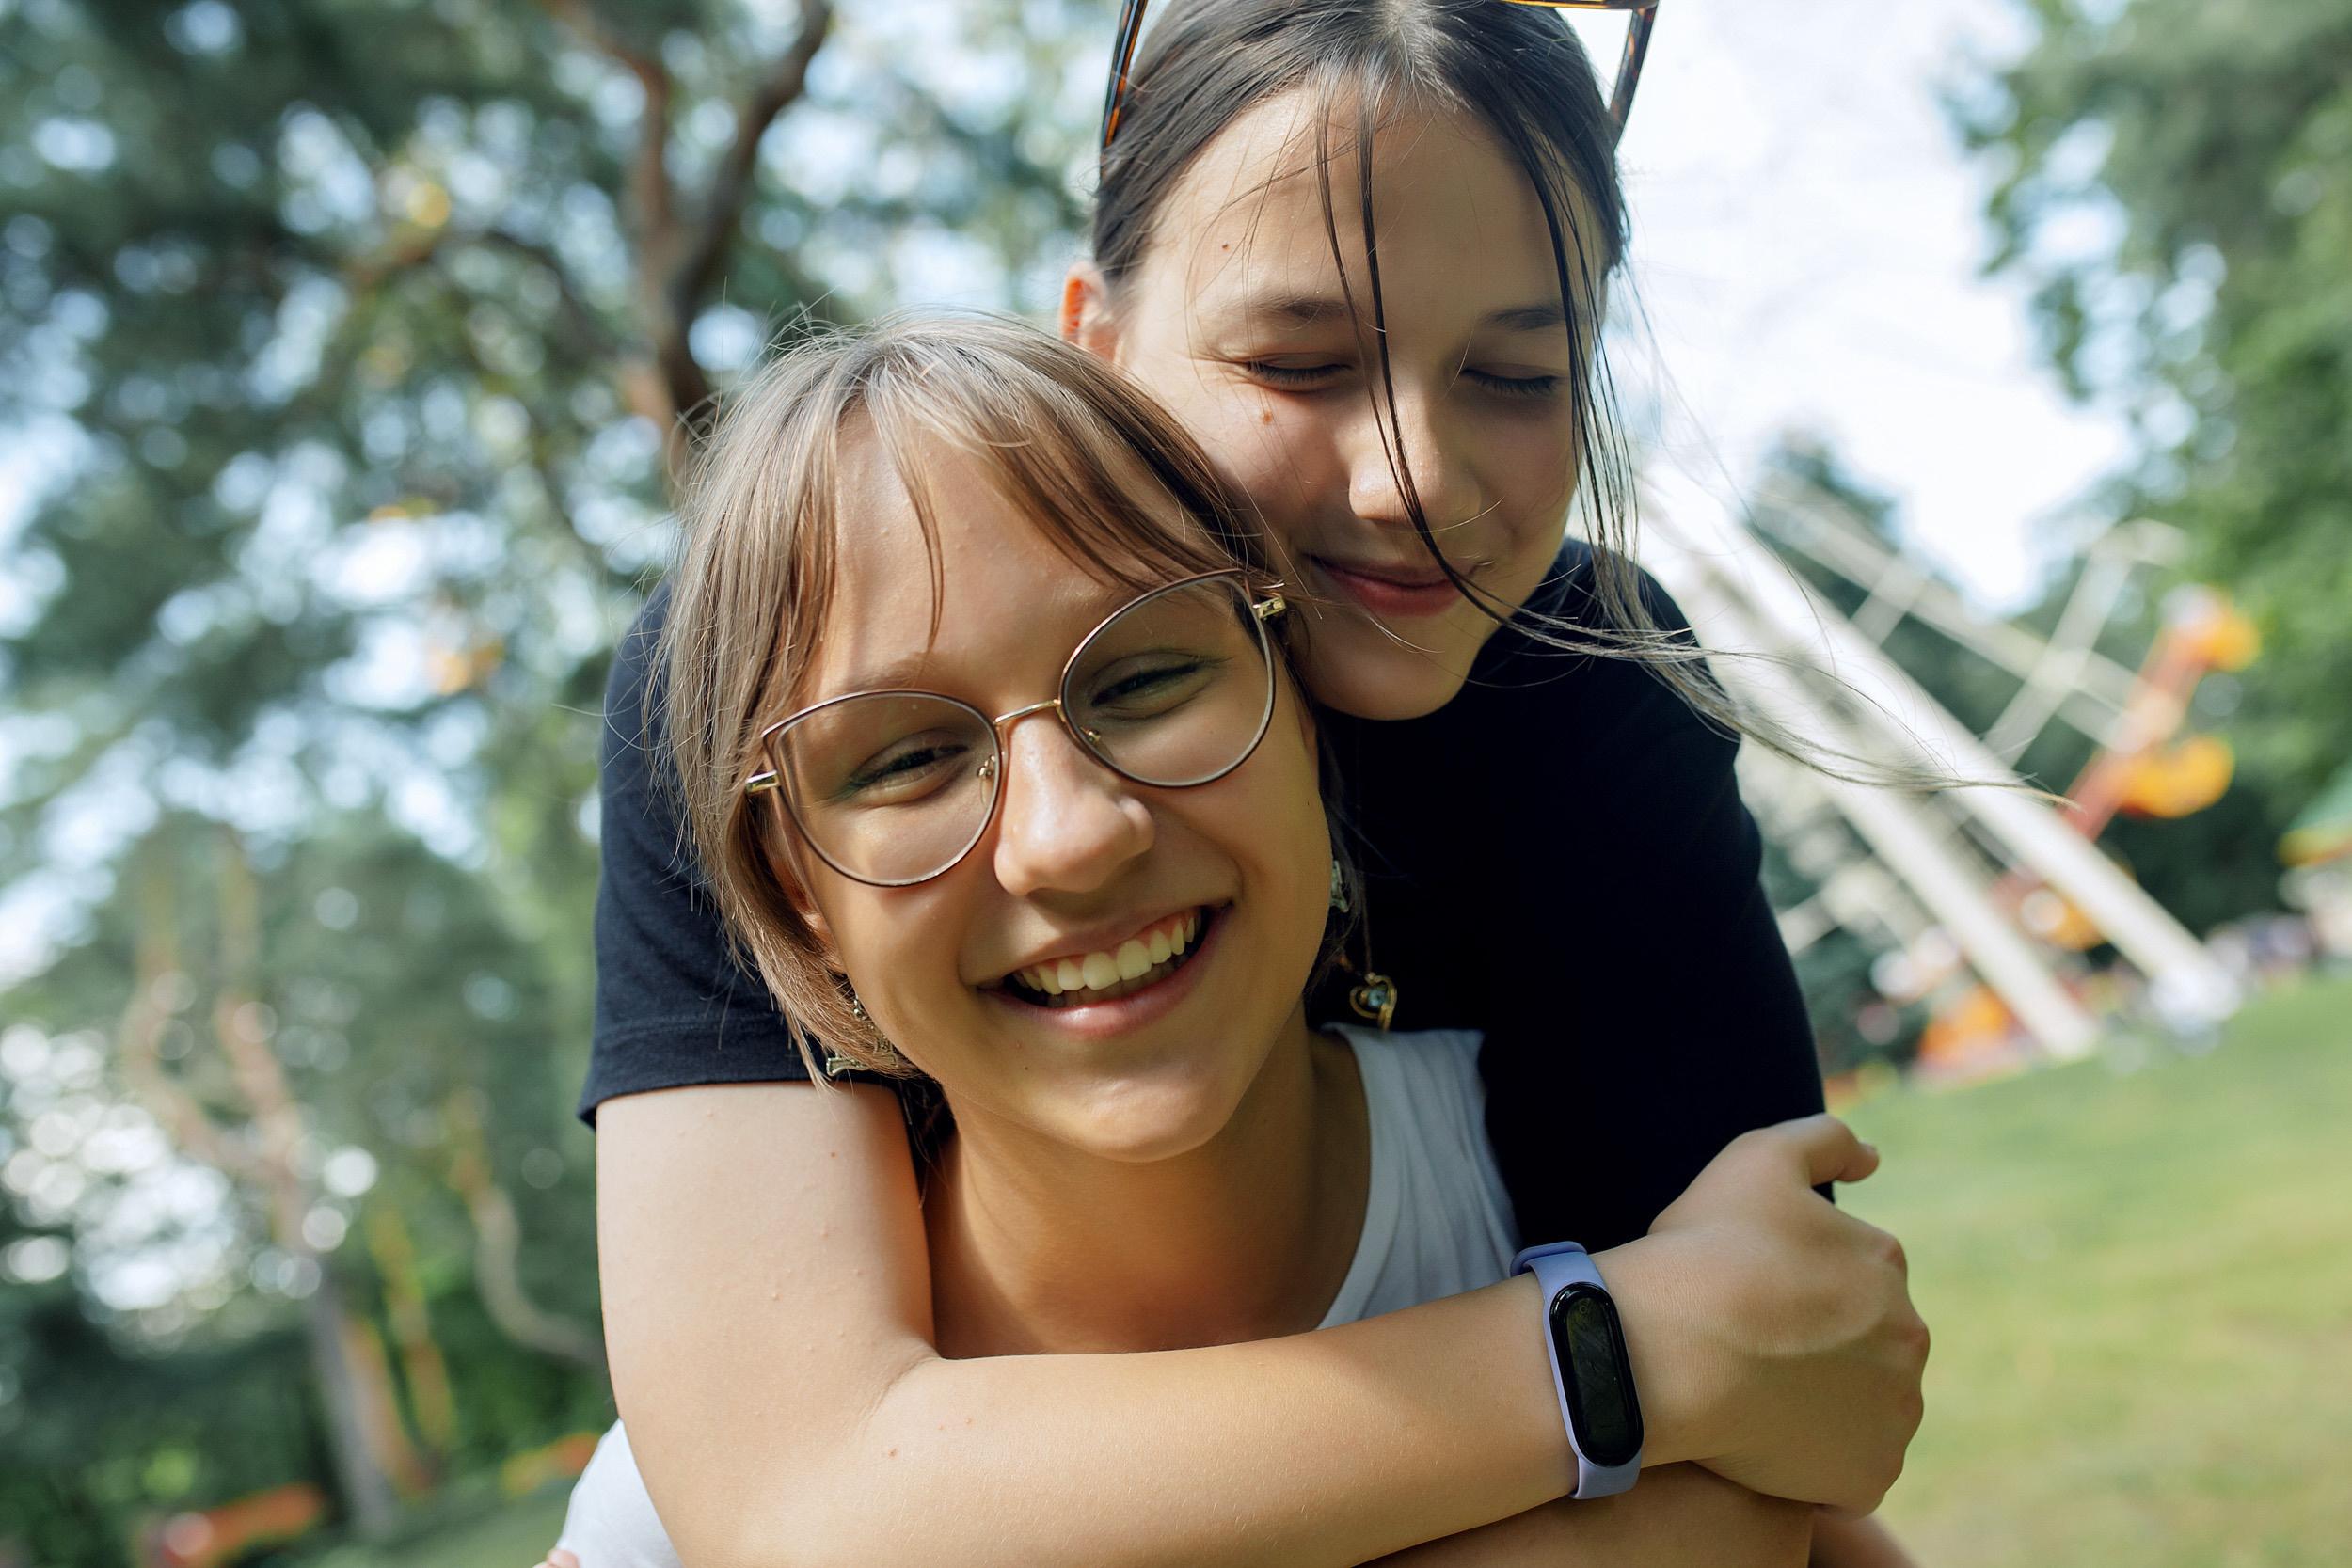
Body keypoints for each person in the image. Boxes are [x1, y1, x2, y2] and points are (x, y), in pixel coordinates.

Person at [562, 3, 1929, 1564]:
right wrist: (1606, 1359)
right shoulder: (786, 669)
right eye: (1299, 361)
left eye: (1513, 370)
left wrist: (1701, 1387)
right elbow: (809, 1498)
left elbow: (1777, 1437)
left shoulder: (1587, 693)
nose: (1409, 482)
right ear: (1102, 347)